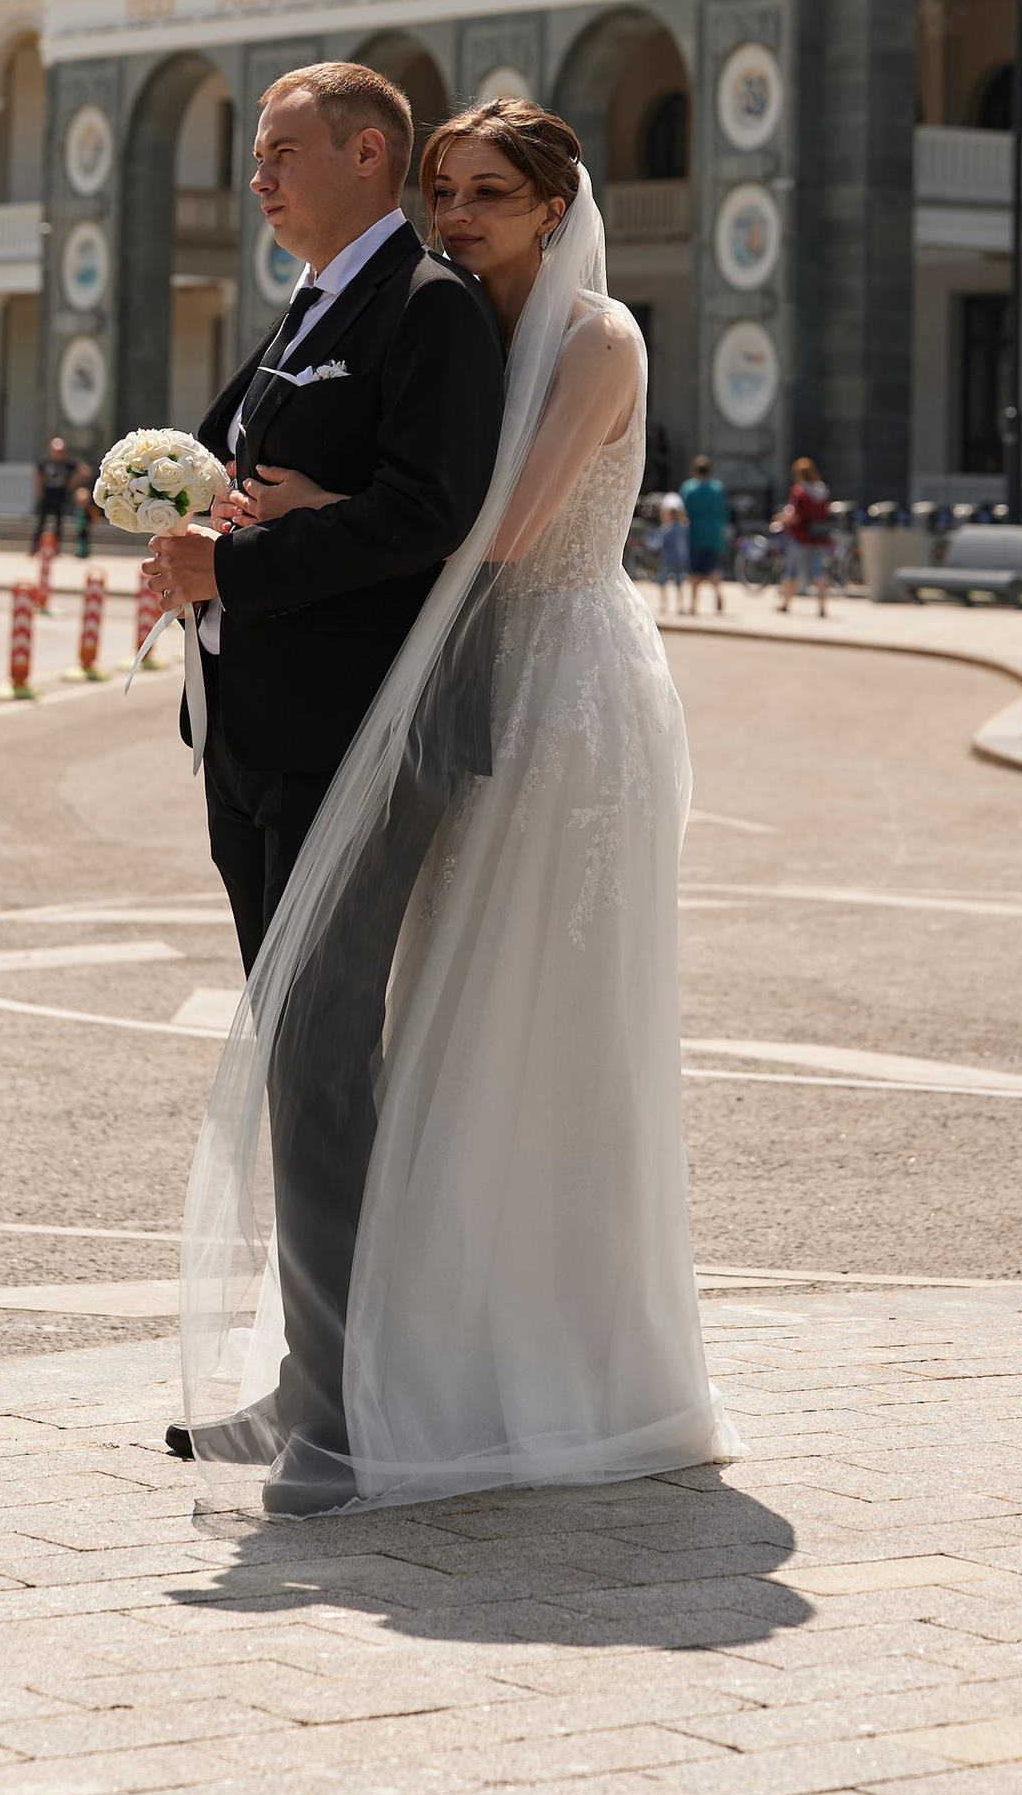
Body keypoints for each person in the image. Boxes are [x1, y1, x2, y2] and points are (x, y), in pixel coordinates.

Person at [164, 92, 733, 1520]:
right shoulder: (453, 323)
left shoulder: (592, 336)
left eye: (488, 193)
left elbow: (499, 527)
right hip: (454, 687)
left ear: (556, 205)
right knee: (426, 1050)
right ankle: (367, 1378)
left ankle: (512, 1381)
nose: (459, 215)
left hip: (564, 701)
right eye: (448, 191)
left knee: (533, 1041)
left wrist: (285, 528)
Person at [144, 61, 506, 1513]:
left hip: (362, 740)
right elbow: (234, 469)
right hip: (254, 735)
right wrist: (182, 523)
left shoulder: (428, 312)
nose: (258, 176)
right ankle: (313, 1378)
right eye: (255, 153)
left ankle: (346, 1425)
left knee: (322, 1069)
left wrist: (232, 561)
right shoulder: (307, 310)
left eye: (284, 151)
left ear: (370, 153)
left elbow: (432, 514)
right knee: (298, 1069)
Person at [778, 457, 835, 619]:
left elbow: (796, 516)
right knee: (819, 571)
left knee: (791, 571)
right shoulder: (822, 490)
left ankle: (786, 604)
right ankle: (822, 605)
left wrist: (781, 519)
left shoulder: (799, 491)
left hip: (800, 535)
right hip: (818, 536)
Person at [680, 455, 730, 614]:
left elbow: (682, 510)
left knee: (694, 569)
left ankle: (693, 605)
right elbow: (724, 510)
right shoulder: (717, 488)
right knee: (712, 567)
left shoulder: (689, 488)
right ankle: (717, 593)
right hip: (714, 533)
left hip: (695, 532)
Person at [33, 434, 78, 542]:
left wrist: (73, 482)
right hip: (47, 495)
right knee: (41, 522)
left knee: (59, 523)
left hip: (61, 496)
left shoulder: (68, 463)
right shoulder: (44, 463)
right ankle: (35, 546)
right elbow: (39, 478)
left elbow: (85, 471)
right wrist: (38, 493)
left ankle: (56, 547)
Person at [653, 489, 690, 609]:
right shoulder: (684, 528)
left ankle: (664, 605)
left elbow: (658, 544)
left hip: (668, 558)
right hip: (681, 559)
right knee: (679, 582)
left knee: (662, 581)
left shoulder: (666, 529)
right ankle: (680, 605)